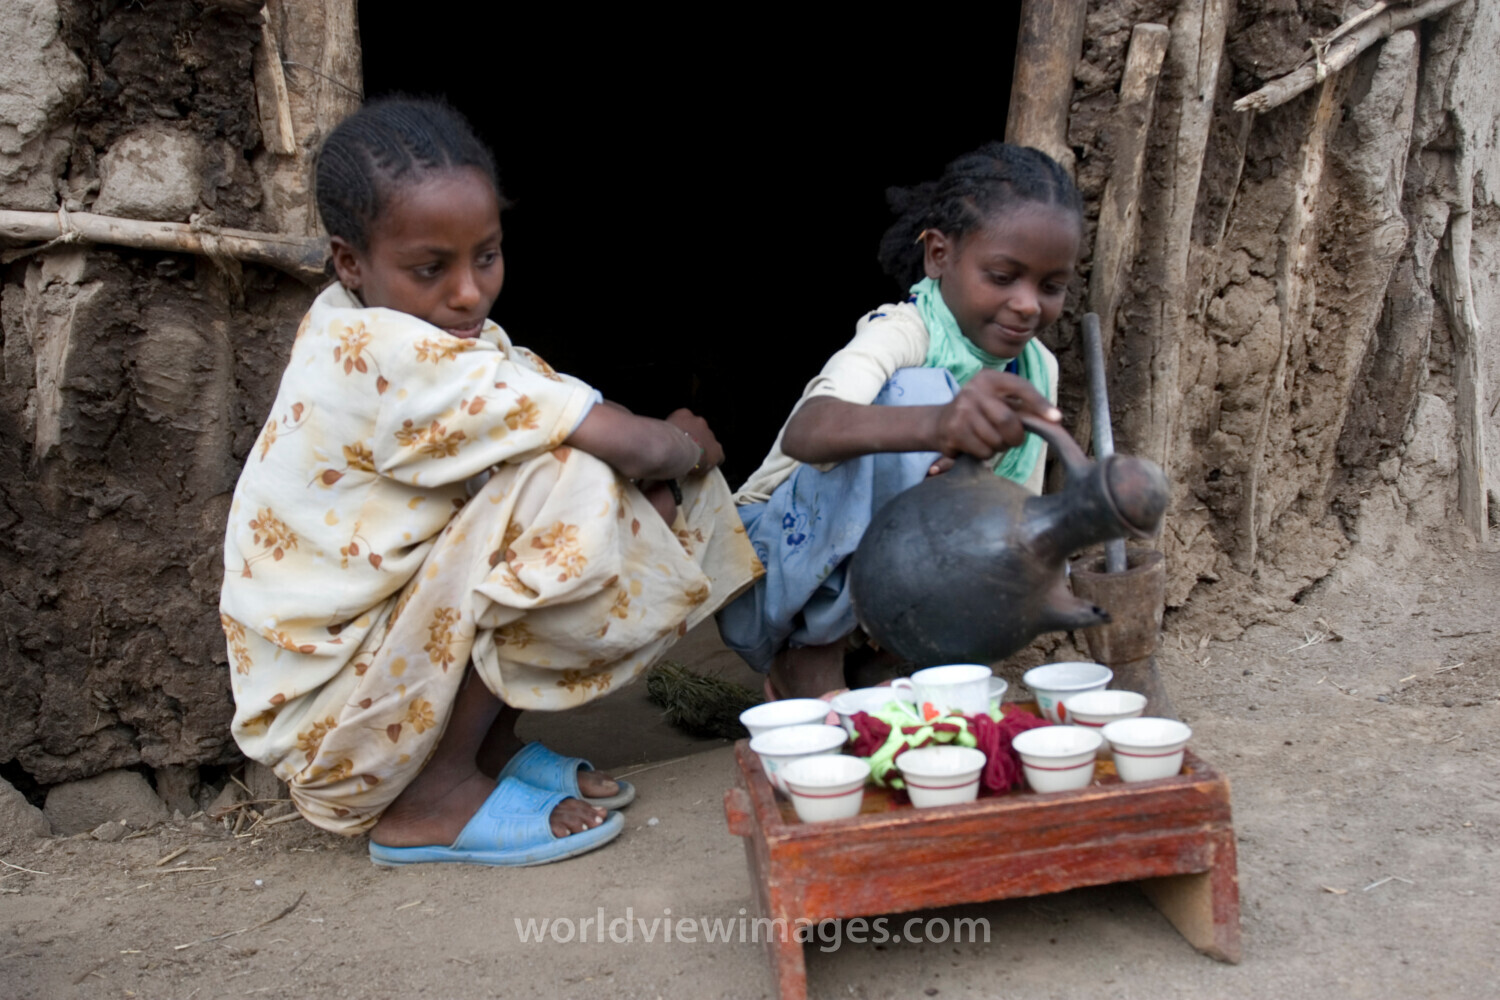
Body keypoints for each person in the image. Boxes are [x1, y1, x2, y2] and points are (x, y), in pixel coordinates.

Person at [219, 97, 760, 866]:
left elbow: (565, 410)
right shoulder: (388, 355)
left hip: (373, 688)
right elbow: (628, 444)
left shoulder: (380, 322)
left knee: (601, 490)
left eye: (487, 256)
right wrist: (685, 441)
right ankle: (430, 795)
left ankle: (485, 751)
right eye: (431, 268)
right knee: (572, 484)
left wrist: (653, 471)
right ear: (350, 261)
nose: (469, 292)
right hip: (334, 733)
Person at [717, 142, 1081, 700]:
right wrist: (938, 425)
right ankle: (809, 657)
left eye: (1050, 287)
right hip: (771, 563)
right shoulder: (903, 332)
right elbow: (808, 431)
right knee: (915, 396)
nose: (1029, 304)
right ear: (938, 255)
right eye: (1003, 276)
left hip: (890, 577)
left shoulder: (1037, 371)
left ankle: (884, 659)